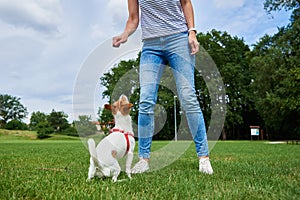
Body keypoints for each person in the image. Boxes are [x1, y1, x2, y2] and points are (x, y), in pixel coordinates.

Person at [112, 0, 213, 175]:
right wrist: (125, 34)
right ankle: (144, 159)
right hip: (151, 46)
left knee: (188, 97)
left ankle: (203, 158)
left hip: (178, 38)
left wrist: (192, 32)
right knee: (145, 100)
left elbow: (186, 3)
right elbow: (133, 18)